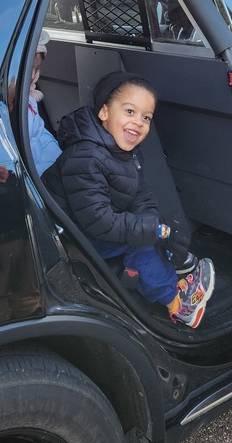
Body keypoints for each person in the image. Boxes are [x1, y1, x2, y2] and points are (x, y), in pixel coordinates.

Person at [42, 71, 214, 327]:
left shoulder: (122, 151)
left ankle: (166, 270)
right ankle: (177, 303)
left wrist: (159, 225)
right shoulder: (86, 157)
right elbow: (99, 221)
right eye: (130, 111)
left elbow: (139, 194)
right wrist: (151, 231)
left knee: (149, 226)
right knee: (140, 242)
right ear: (104, 113)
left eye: (146, 117)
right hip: (69, 236)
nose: (139, 122)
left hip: (90, 224)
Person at [28, 34, 61, 174]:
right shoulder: (11, 109)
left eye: (36, 69)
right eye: (30, 69)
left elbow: (41, 132)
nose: (33, 75)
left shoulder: (29, 100)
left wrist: (59, 160)